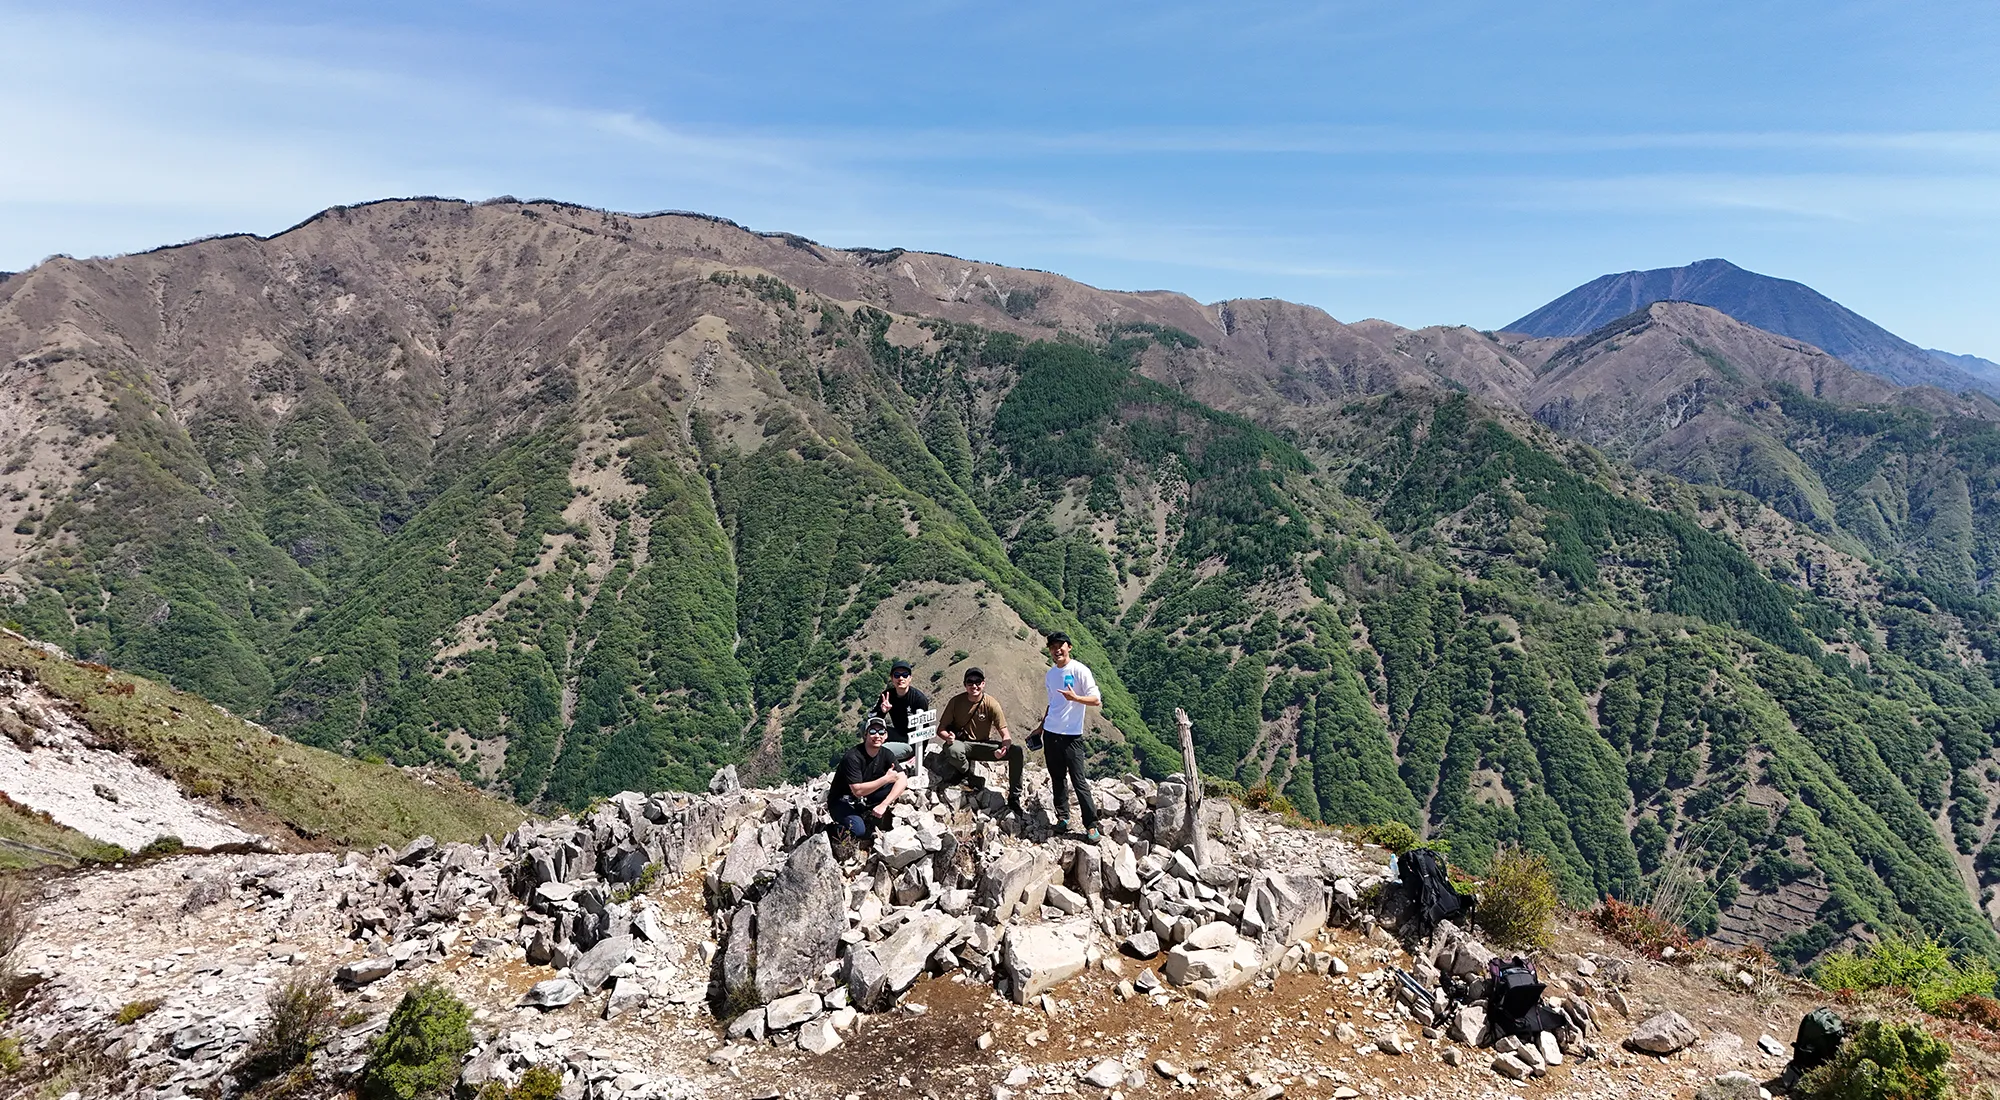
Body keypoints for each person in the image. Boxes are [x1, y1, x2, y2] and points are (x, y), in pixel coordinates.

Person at [929, 667, 1024, 815]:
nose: (974, 685)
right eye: (970, 682)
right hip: (962, 744)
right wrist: (947, 737)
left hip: (982, 745)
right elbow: (940, 729)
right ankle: (967, 775)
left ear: (983, 684)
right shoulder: (956, 702)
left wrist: (1004, 749)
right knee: (953, 750)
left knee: (1016, 752)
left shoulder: (991, 704)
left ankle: (1014, 797)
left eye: (978, 682)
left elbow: (1005, 734)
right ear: (965, 684)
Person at [1037, 632, 1102, 840]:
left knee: (1078, 780)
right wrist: (1040, 727)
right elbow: (1052, 703)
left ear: (1069, 647)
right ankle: (1063, 818)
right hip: (1050, 733)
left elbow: (1096, 700)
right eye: (1053, 647)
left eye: (1060, 646)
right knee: (1057, 778)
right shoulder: (1050, 674)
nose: (1057, 650)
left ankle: (1091, 825)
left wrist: (1076, 698)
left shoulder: (1080, 670)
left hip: (1072, 736)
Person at [829, 716, 908, 840]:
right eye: (872, 731)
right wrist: (886, 779)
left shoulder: (886, 754)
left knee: (895, 784)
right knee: (859, 831)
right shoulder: (853, 757)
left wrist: (884, 804)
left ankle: (867, 812)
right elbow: (857, 790)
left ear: (886, 735)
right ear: (865, 735)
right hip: (842, 800)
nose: (877, 735)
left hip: (866, 797)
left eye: (881, 732)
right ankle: (830, 830)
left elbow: (903, 779)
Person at [874, 659, 931, 764]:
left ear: (910, 678)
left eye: (905, 675)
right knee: (865, 727)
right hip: (897, 734)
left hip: (911, 742)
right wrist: (882, 712)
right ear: (892, 678)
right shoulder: (887, 695)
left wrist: (920, 753)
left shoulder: (919, 699)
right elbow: (872, 721)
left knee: (881, 750)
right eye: (897, 675)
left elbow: (925, 729)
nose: (901, 678)